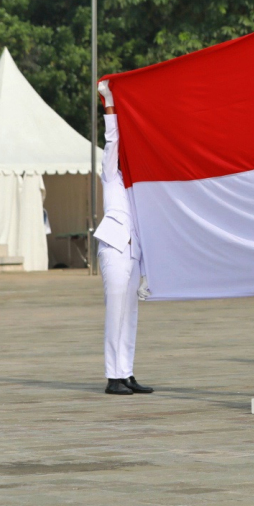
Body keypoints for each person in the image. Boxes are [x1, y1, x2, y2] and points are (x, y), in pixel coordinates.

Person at [94, 80, 153, 396]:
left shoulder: (138, 185)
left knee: (130, 314)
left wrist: (147, 270)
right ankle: (112, 377)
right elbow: (112, 140)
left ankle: (126, 372)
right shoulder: (110, 175)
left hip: (133, 253)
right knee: (115, 312)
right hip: (114, 247)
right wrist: (110, 103)